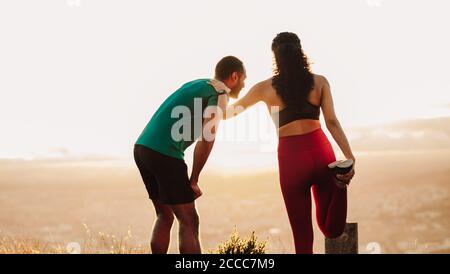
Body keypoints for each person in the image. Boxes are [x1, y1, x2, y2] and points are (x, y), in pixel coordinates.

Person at [212, 32, 356, 254]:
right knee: (331, 229)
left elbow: (229, 113)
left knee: (303, 237)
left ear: (275, 57)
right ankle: (340, 185)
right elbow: (332, 122)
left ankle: (338, 186)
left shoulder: (264, 88)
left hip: (292, 160)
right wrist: (350, 157)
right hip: (321, 151)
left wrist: (213, 95)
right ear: (300, 51)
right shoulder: (320, 82)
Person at [134, 56, 246, 254]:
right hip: (165, 153)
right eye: (244, 79)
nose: (244, 84)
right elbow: (207, 138)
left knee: (165, 215)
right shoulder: (220, 93)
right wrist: (193, 180)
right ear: (234, 76)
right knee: (189, 220)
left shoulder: (197, 83)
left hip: (142, 148)